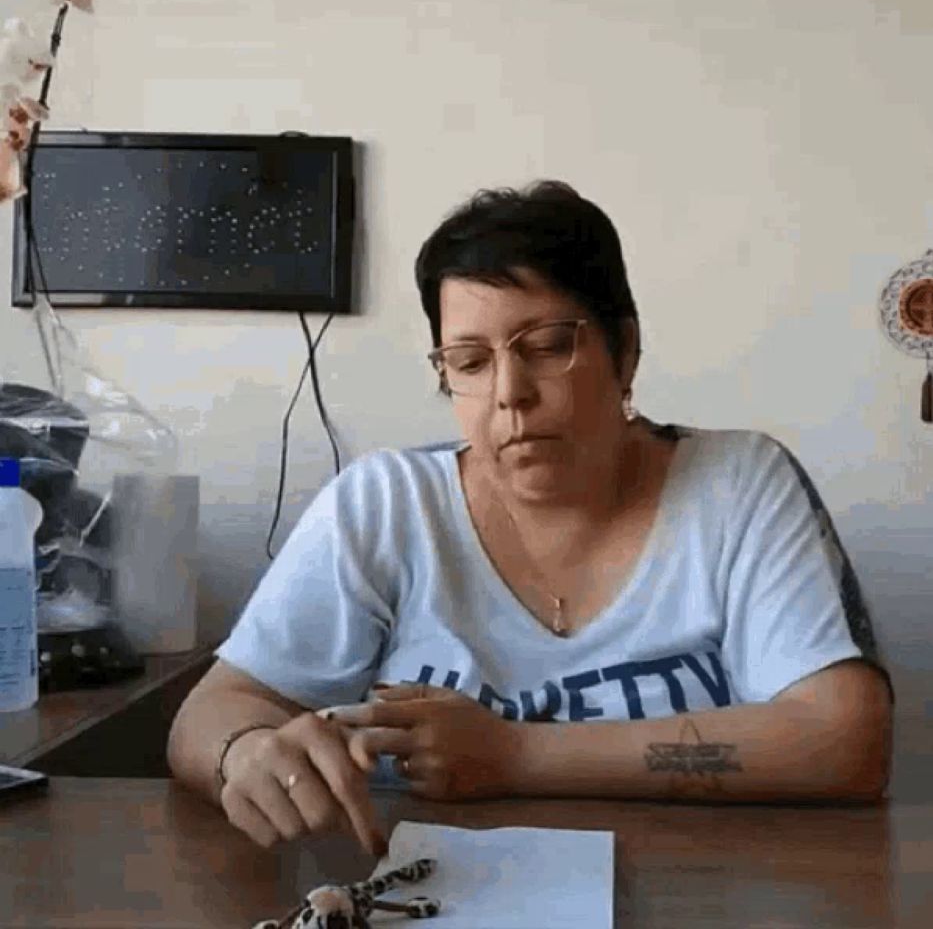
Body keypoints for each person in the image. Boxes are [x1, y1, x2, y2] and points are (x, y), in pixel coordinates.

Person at [167, 180, 895, 859]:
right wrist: (246, 752)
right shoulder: (384, 504)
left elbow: (845, 741)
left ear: (626, 349)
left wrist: (512, 753)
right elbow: (216, 709)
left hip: (697, 889)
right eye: (470, 361)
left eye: (547, 347)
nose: (509, 394)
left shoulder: (737, 487)